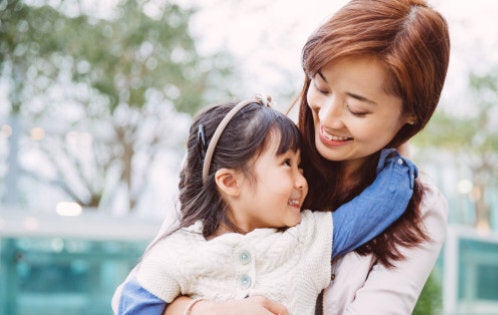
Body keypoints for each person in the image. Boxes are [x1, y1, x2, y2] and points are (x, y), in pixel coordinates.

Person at [116, 0, 450, 313]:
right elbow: (134, 292)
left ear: (411, 114)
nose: (329, 118)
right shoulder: (239, 151)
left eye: (357, 108)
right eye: (320, 87)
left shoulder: (417, 208)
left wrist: (399, 170)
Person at [116, 97, 418, 314]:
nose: (301, 181)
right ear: (230, 182)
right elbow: (132, 306)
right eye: (286, 164)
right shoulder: (179, 250)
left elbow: (387, 198)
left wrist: (387, 138)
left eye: (301, 166)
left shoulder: (307, 239)